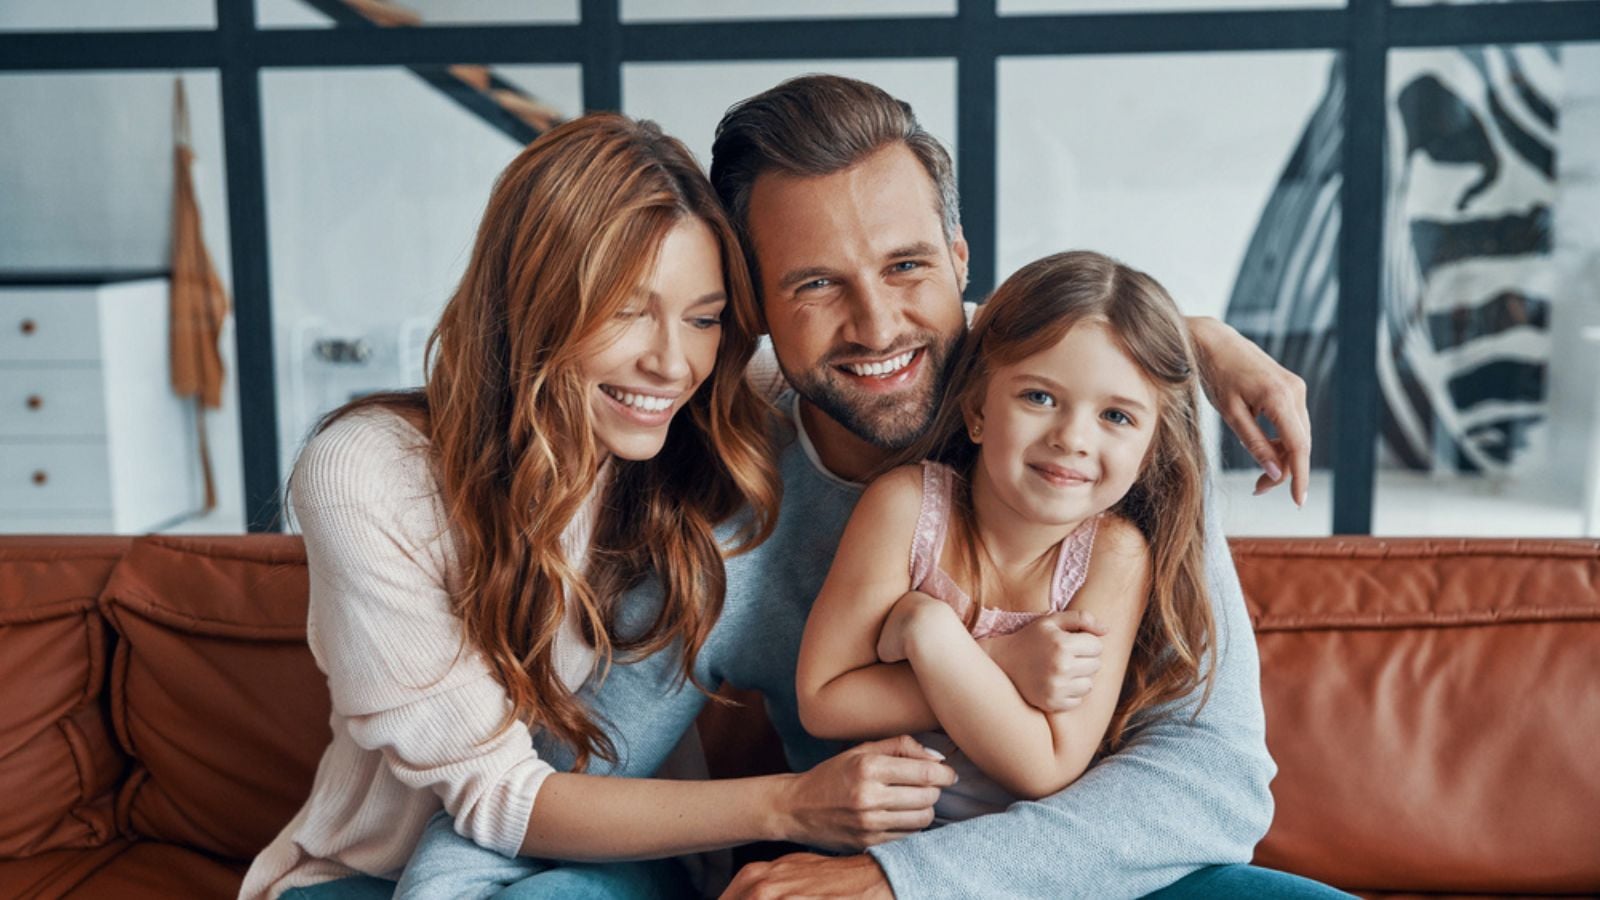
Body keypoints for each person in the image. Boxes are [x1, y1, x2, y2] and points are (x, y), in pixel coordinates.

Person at [400, 76, 1344, 899]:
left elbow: (1211, 779)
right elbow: (564, 768)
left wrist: (905, 884)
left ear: (963, 257)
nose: (876, 324)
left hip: (1086, 875)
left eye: (907, 266)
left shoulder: (1110, 444)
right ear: (753, 308)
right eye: (814, 285)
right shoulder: (727, 497)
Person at [239, 113, 958, 900]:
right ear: (532, 303)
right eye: (625, 308)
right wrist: (792, 806)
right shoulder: (369, 474)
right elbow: (497, 795)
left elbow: (896, 361)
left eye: (705, 317)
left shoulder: (704, 426)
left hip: (617, 849)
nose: (671, 362)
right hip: (382, 868)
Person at [797, 249, 1217, 827]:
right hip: (889, 855)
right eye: (1039, 397)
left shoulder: (1112, 556)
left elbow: (1046, 766)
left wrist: (931, 632)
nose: (1072, 438)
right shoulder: (907, 507)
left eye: (1116, 417)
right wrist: (1000, 660)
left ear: (1149, 452)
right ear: (977, 410)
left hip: (1041, 865)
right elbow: (822, 701)